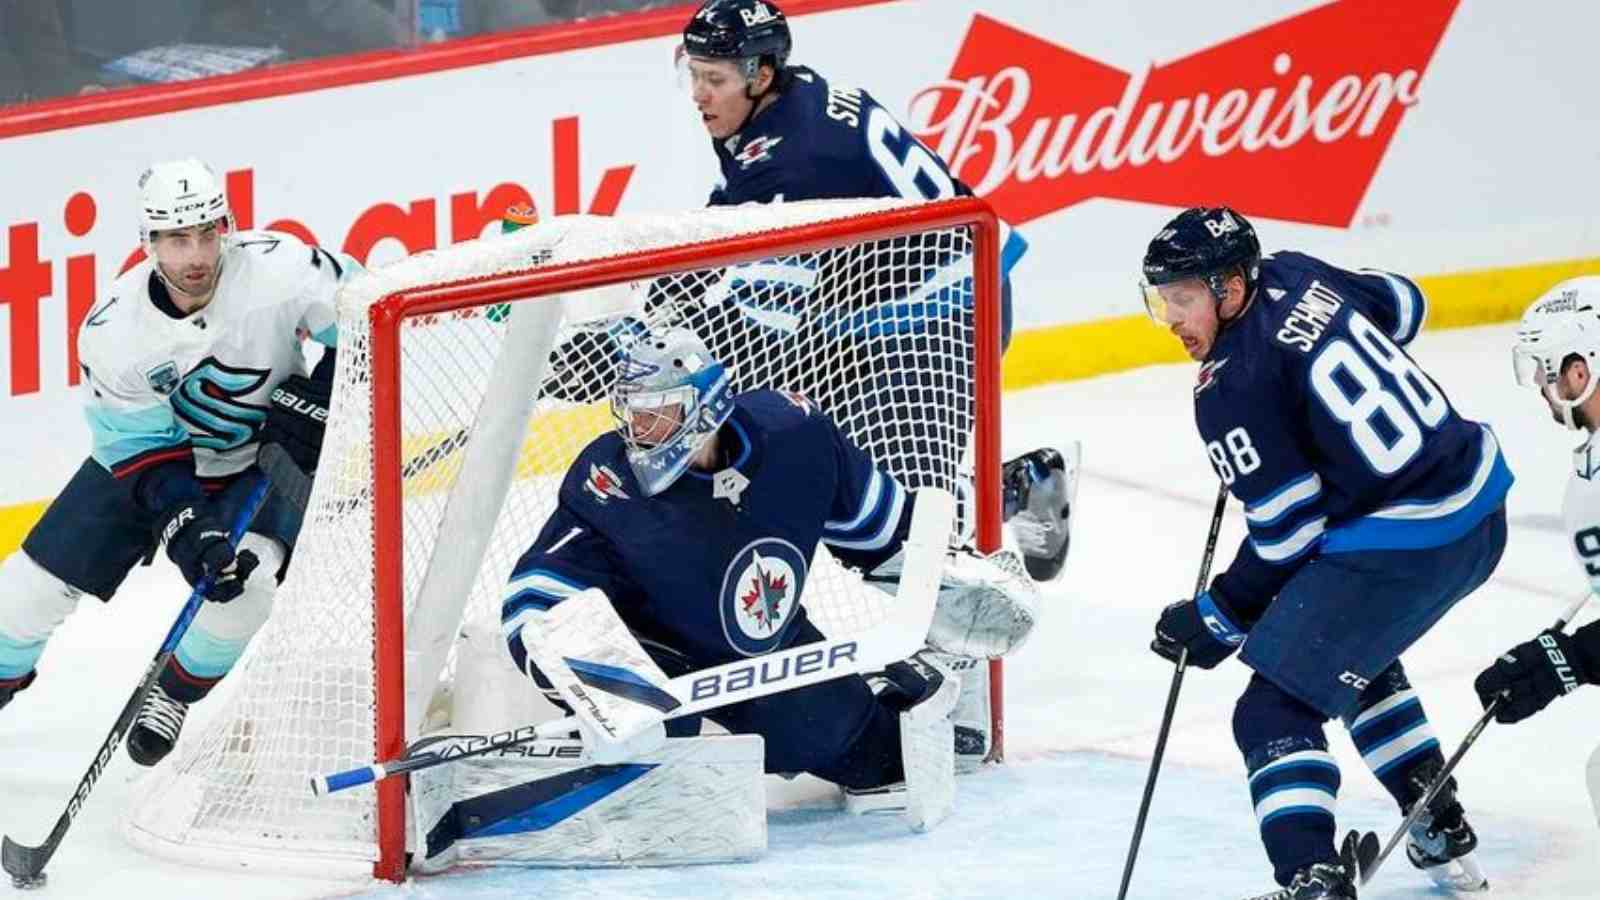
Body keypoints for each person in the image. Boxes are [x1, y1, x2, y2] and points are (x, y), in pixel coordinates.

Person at [500, 328, 1037, 818]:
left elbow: (886, 532)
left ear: (705, 407)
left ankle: (890, 686)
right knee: (662, 738)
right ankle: (645, 750)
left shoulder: (794, 439)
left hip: (769, 660)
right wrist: (595, 678)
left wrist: (948, 584)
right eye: (633, 414)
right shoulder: (610, 478)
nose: (639, 430)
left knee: (883, 763)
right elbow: (536, 593)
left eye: (656, 413)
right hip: (662, 661)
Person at [1140, 207, 1512, 899]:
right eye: (1163, 298)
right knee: (1341, 654)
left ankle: (1310, 877)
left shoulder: (1232, 388)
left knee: (1272, 711)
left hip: (1411, 540)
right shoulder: (1296, 272)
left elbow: (1288, 533)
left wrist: (1218, 615)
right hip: (1481, 511)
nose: (1171, 317)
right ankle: (1436, 815)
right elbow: (1406, 304)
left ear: (1228, 287)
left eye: (1183, 297)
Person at [0, 159, 357, 767]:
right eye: (175, 239)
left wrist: (320, 403)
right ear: (149, 243)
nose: (195, 254)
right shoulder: (115, 331)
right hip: (152, 466)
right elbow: (142, 455)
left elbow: (367, 322)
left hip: (265, 461)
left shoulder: (284, 267)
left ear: (228, 226)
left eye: (207, 232)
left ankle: (173, 693)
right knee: (22, 597)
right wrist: (189, 526)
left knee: (246, 591)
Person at [1474, 278, 1600, 727]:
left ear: (1580, 371)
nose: (1544, 389)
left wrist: (1571, 660)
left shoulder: (1591, 492)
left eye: (1546, 373)